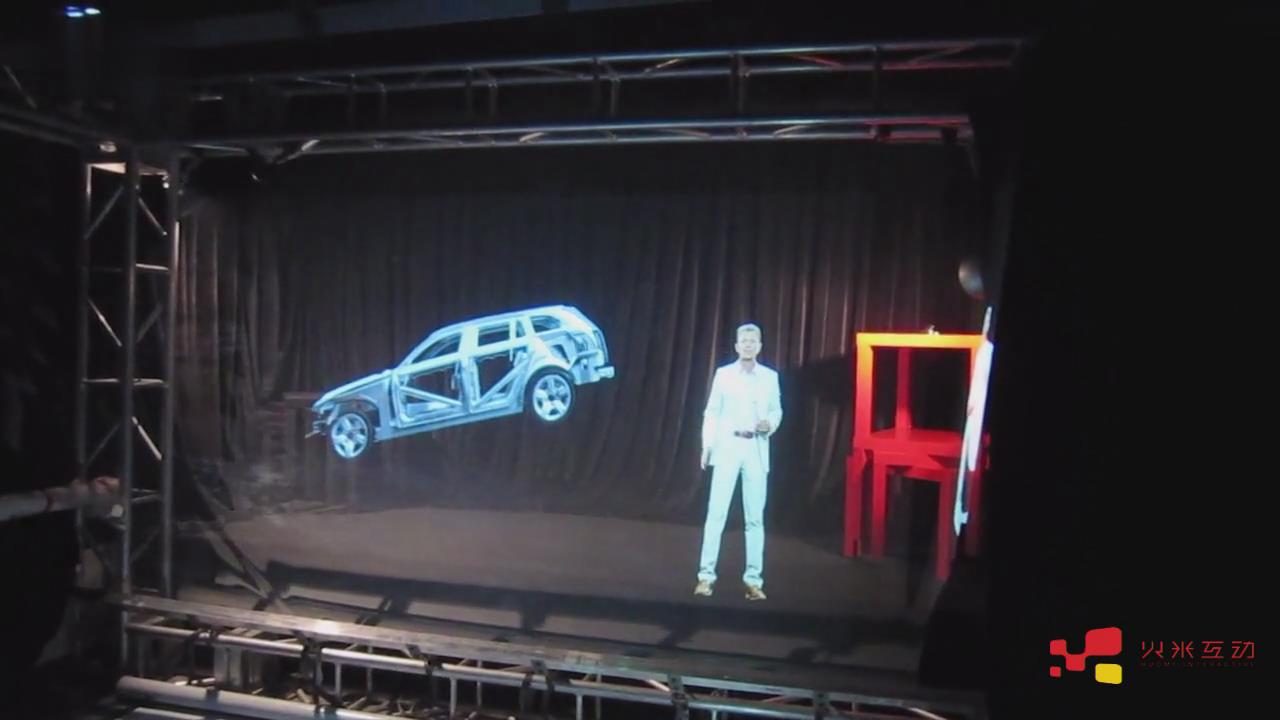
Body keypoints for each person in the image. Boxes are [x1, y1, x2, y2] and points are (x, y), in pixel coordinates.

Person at [695, 323, 782, 600]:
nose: (748, 345)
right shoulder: (724, 375)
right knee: (716, 513)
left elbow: (776, 410)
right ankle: (706, 577)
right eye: (743, 341)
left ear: (759, 346)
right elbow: (712, 412)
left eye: (752, 341)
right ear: (736, 346)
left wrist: (770, 424)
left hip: (755, 448)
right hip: (728, 447)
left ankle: (753, 581)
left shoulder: (769, 377)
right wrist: (707, 445)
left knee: (754, 518)